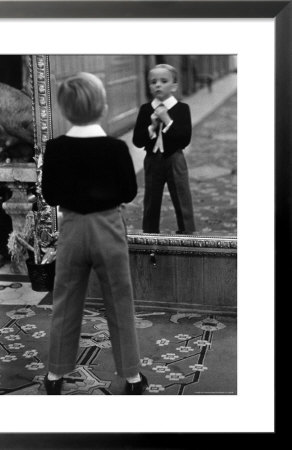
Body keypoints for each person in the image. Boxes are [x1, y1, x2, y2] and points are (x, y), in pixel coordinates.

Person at [41, 72, 148, 395]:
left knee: (66, 301)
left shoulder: (55, 148)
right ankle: (131, 377)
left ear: (64, 110)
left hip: (72, 228)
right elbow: (129, 192)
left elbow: (50, 195)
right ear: (102, 106)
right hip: (108, 228)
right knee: (119, 301)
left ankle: (54, 375)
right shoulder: (115, 148)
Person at [132, 64, 196, 234]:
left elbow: (184, 140)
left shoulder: (182, 109)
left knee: (182, 198)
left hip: (175, 159)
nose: (157, 85)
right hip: (152, 160)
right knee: (151, 201)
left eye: (163, 81)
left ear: (174, 86)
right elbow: (137, 141)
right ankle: (150, 234)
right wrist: (151, 128)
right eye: (153, 82)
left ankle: (187, 233)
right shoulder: (146, 110)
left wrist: (167, 120)